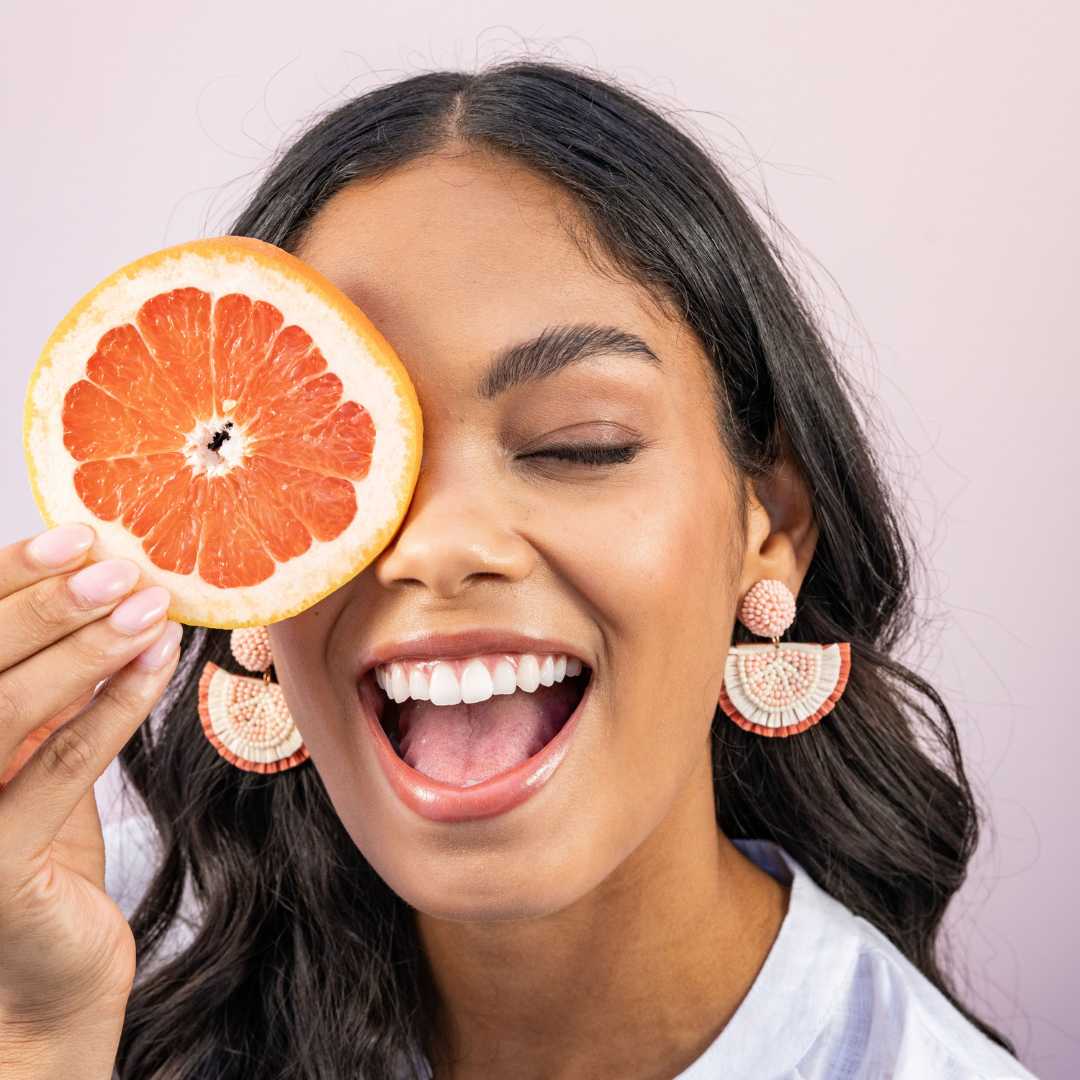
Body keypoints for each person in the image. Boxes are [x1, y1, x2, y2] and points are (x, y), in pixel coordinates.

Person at [0, 59, 1038, 1080]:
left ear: (769, 527)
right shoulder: (85, 948)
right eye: (343, 468)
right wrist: (41, 1041)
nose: (439, 545)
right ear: (254, 607)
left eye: (576, 445)